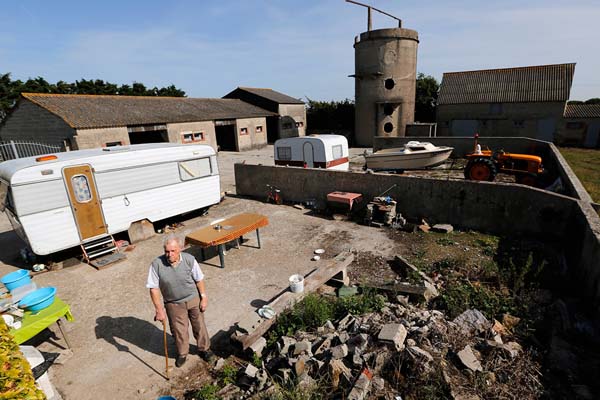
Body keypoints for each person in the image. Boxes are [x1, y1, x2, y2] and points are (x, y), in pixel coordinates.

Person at [147, 235, 213, 367]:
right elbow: (153, 288)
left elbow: (199, 279)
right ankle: (182, 353)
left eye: (173, 251)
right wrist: (159, 310)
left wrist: (204, 297)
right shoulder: (156, 264)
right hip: (174, 303)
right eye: (166, 251)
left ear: (180, 249)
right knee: (179, 331)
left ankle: (204, 349)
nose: (169, 254)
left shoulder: (189, 260)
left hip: (193, 298)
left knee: (199, 325)